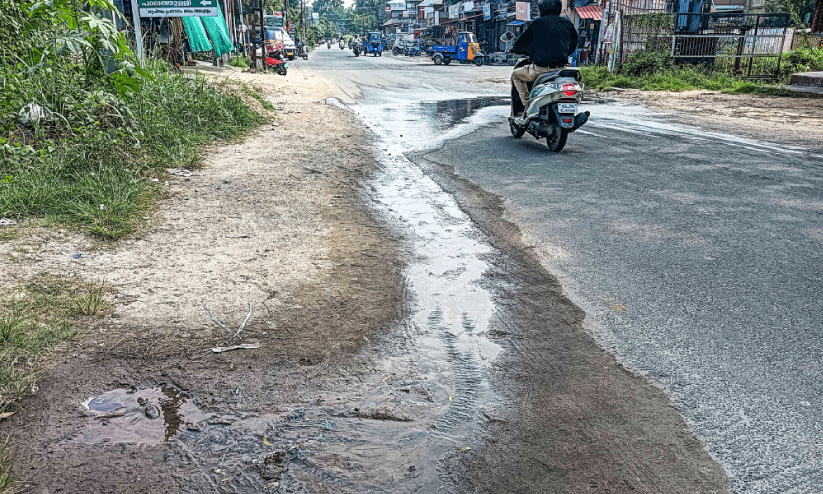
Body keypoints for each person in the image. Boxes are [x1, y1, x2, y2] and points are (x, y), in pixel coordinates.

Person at [510, 0, 578, 118]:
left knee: (516, 75)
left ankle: (527, 106)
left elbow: (520, 44)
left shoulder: (537, 23)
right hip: (560, 69)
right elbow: (573, 45)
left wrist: (515, 49)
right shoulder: (567, 24)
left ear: (541, 8)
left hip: (540, 69)